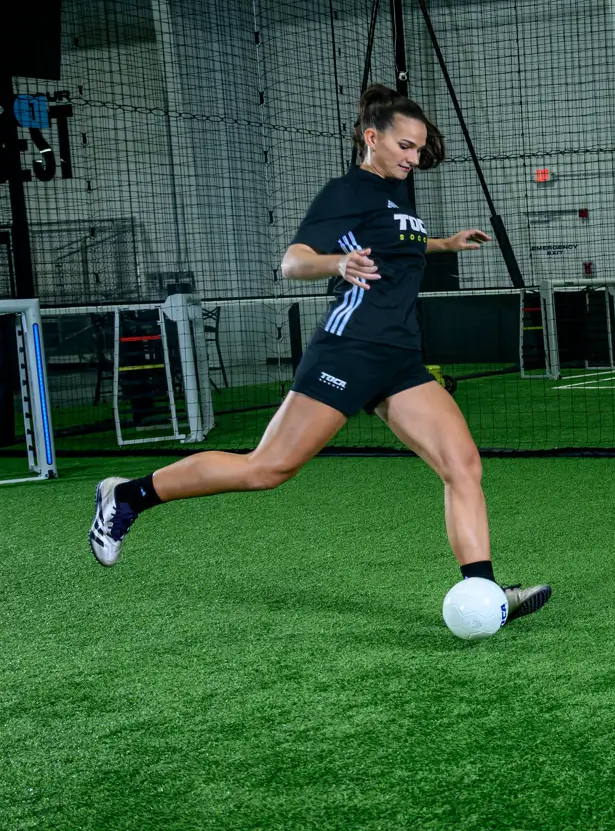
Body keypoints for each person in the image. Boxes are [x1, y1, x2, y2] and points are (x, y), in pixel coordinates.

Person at [88, 85, 550, 627]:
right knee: (268, 468)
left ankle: (485, 593)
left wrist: (443, 244)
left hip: (399, 357)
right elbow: (293, 262)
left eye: (419, 149)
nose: (414, 158)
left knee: (463, 466)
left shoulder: (396, 194)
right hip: (349, 348)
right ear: (371, 137)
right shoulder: (346, 191)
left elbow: (392, 243)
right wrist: (335, 264)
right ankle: (127, 497)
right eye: (404, 146)